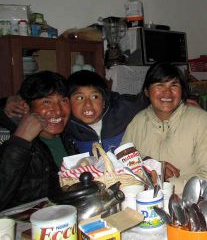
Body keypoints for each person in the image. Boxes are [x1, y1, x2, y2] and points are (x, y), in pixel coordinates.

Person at [121, 62, 207, 194]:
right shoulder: (137, 122)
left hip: (188, 206)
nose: (167, 92)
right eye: (159, 85)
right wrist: (150, 165)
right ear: (146, 91)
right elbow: (121, 168)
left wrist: (163, 184)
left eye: (174, 85)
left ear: (182, 91)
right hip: (145, 204)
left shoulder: (200, 120)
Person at [0, 71, 73, 210]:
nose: (58, 111)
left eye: (63, 101)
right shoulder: (10, 141)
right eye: (46, 102)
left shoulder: (71, 136)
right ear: (26, 107)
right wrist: (20, 141)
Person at [65, 70, 148, 153]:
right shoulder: (66, 124)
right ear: (68, 102)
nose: (88, 104)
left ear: (104, 101)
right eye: (80, 98)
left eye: (95, 97)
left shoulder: (124, 108)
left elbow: (147, 98)